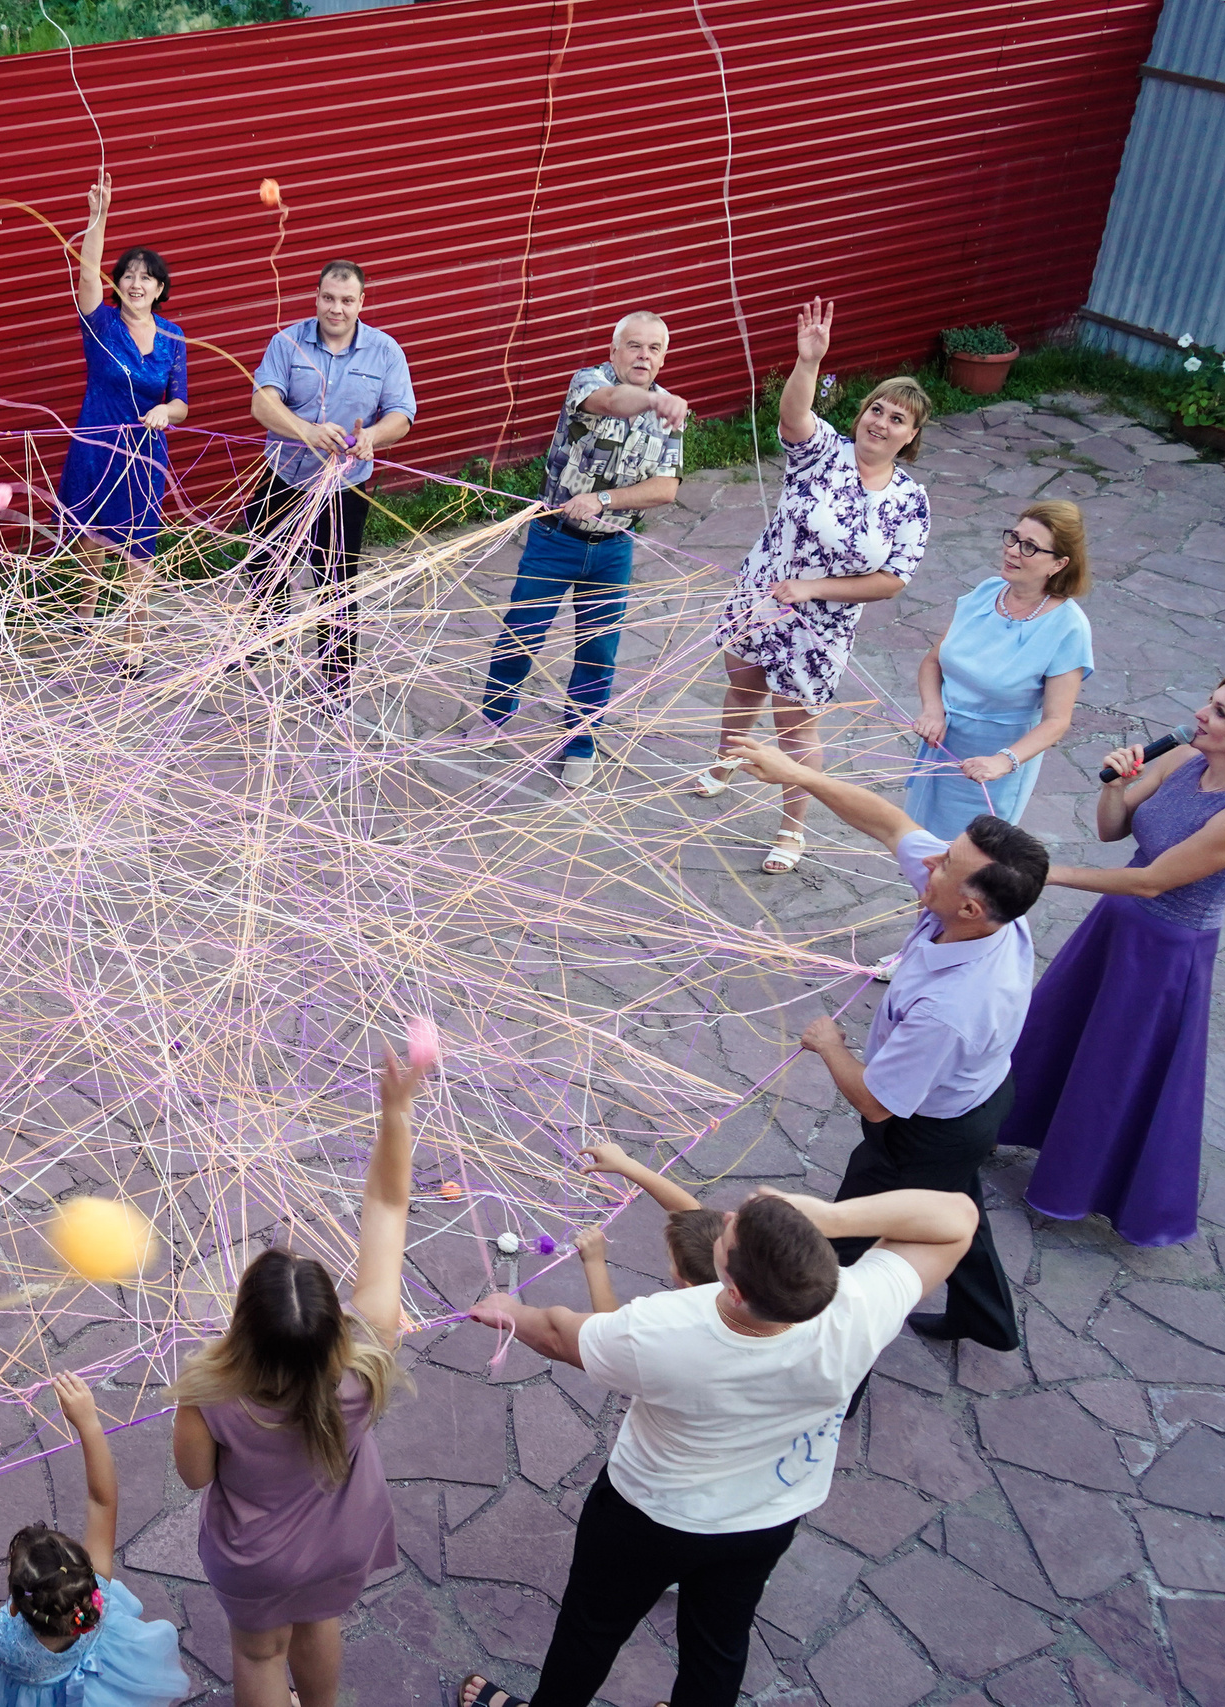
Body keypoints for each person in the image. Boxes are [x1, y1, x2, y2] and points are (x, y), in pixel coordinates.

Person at [457, 1187, 979, 1707]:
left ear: (732, 1288)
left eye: (733, 1228)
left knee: (590, 1631)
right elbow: (957, 1215)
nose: (727, 1215)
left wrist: (509, 1311)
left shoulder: (661, 1330)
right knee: (718, 1649)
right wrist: (832, 1216)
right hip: (767, 1519)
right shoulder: (859, 1304)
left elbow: (555, 1335)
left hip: (648, 1517)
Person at [727, 734, 1048, 1351]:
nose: (930, 862)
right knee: (951, 1199)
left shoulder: (951, 1010)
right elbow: (891, 822)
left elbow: (877, 1105)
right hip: (976, 1096)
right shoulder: (989, 903)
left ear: (973, 908)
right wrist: (800, 772)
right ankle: (987, 1322)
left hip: (928, 1128)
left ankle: (829, 1377)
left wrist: (829, 1046)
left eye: (945, 864)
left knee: (841, 1251)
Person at [1004, 669, 1225, 1246]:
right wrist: (1115, 786)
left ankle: (1076, 1184)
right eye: (1210, 701)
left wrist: (1040, 872)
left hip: (1164, 953)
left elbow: (1151, 882)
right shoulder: (1183, 760)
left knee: (1112, 1067)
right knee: (1057, 1028)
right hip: (1114, 923)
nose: (1201, 714)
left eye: (1220, 712)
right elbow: (1112, 832)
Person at [168, 1040, 423, 1707]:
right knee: (318, 1621)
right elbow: (390, 1208)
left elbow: (195, 1476)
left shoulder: (209, 1390)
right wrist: (395, 1113)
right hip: (343, 1542)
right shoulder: (369, 1358)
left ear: (243, 1326)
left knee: (259, 1651)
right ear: (337, 1324)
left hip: (255, 1557)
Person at [689, 300, 930, 874]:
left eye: (897, 419)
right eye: (876, 409)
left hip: (820, 625)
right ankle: (725, 762)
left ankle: (791, 830)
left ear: (911, 436)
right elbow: (794, 417)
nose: (880, 422)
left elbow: (893, 579)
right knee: (742, 685)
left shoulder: (909, 501)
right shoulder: (823, 454)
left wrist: (813, 589)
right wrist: (808, 361)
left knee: (795, 730)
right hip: (760, 595)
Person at [474, 313, 687, 789]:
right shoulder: (590, 382)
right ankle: (492, 718)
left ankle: (581, 741)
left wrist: (606, 500)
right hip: (555, 539)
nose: (643, 356)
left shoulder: (671, 413)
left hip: (613, 549)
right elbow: (615, 402)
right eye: (634, 346)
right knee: (522, 631)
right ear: (614, 352)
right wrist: (657, 400)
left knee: (598, 650)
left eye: (654, 349)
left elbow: (666, 487)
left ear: (663, 357)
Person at [0, 1371, 190, 1707]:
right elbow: (102, 1502)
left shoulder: (6, 1642)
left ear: (14, 1607)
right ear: (85, 1574)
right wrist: (88, 1422)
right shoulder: (96, 1595)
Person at [245, 262, 416, 697]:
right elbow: (262, 405)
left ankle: (336, 678)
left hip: (344, 486)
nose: (335, 309)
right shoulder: (287, 343)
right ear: (316, 296)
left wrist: (372, 436)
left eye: (346, 300)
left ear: (361, 302)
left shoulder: (385, 350)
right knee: (265, 565)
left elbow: (402, 415)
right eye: (328, 298)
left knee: (336, 582)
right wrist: (308, 431)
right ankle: (269, 633)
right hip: (284, 475)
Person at [57, 173, 190, 659]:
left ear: (160, 289)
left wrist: (165, 411)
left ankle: (134, 643)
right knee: (91, 537)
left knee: (140, 548)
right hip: (96, 446)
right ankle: (86, 611)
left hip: (145, 456)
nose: (136, 283)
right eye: (129, 275)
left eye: (146, 277)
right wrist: (99, 216)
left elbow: (181, 401)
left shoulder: (174, 336)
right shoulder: (101, 324)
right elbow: (87, 273)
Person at [904, 500, 1094, 839]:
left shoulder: (1068, 627)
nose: (1013, 551)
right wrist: (933, 710)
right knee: (920, 847)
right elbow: (934, 661)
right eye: (1014, 538)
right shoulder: (987, 592)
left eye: (1030, 547)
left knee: (966, 864)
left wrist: (1003, 762)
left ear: (1059, 563)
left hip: (993, 770)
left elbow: (1056, 721)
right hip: (941, 748)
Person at [577, 1139, 722, 1290]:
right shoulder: (740, 1274)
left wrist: (594, 1263)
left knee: (557, 1314)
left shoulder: (668, 1312)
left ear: (688, 1285)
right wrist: (624, 1164)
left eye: (672, 1261)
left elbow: (610, 1315)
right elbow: (692, 1214)